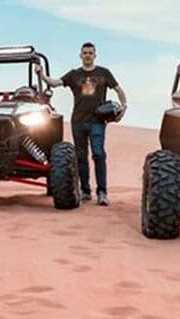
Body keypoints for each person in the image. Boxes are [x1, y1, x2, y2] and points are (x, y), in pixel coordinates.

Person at [35, 42, 127, 206]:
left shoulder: (104, 73)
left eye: (90, 53)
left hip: (98, 121)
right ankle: (85, 191)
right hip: (78, 121)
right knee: (81, 157)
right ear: (80, 55)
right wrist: (41, 74)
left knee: (98, 154)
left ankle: (102, 192)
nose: (87, 55)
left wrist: (124, 107)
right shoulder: (74, 75)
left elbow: (119, 89)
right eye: (85, 53)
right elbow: (55, 83)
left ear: (95, 55)